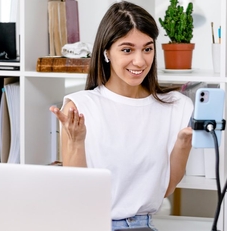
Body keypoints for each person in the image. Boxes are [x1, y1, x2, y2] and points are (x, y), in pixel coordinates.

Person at [49, 1, 193, 230]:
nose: (140, 61)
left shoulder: (177, 107)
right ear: (106, 51)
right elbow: (78, 195)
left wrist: (183, 145)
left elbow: (164, 189)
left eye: (147, 49)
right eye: (127, 50)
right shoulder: (81, 107)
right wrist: (76, 142)